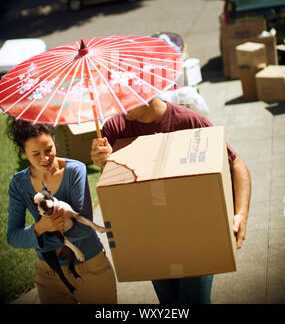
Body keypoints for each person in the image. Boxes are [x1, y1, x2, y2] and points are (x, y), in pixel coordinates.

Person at [90, 97, 251, 304]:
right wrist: (103, 161)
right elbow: (112, 183)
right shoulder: (113, 128)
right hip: (150, 235)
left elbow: (236, 164)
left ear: (144, 90)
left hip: (196, 235)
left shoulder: (189, 122)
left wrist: (241, 215)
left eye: (123, 98)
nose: (118, 105)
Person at [7, 118, 117, 304]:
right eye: (36, 153)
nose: (45, 158)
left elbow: (84, 229)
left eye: (49, 149)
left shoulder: (75, 170)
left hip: (90, 267)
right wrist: (40, 228)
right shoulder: (19, 184)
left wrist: (40, 238)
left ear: (54, 140)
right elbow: (13, 237)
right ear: (23, 152)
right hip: (48, 274)